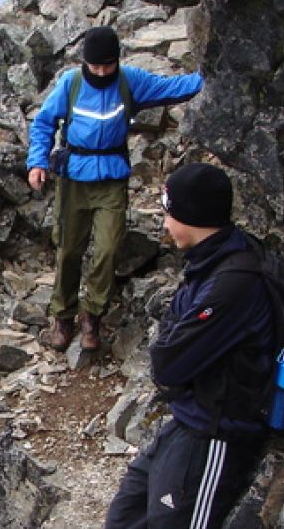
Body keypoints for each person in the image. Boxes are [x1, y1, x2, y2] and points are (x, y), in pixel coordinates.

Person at [43, 163, 274, 529]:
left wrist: (173, 352)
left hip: (217, 432)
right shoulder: (212, 262)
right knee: (127, 516)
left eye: (168, 213)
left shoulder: (236, 283)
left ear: (191, 216)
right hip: (188, 419)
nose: (163, 223)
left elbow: (168, 361)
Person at [27, 26, 204, 351]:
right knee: (68, 249)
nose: (101, 72)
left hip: (111, 178)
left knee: (108, 249)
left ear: (116, 61)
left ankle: (92, 316)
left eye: (107, 65)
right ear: (85, 62)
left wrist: (211, 76)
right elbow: (43, 123)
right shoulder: (71, 83)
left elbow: (172, 88)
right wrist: (37, 162)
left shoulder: (129, 81)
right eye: (95, 66)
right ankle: (63, 316)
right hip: (73, 179)